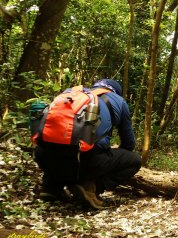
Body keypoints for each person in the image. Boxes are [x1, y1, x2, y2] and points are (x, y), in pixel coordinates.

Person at [35, 79, 141, 208]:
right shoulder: (119, 101)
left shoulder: (71, 92)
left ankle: (50, 187)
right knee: (135, 160)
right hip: (84, 162)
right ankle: (90, 186)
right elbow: (129, 144)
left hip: (43, 156)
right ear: (116, 92)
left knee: (60, 141)